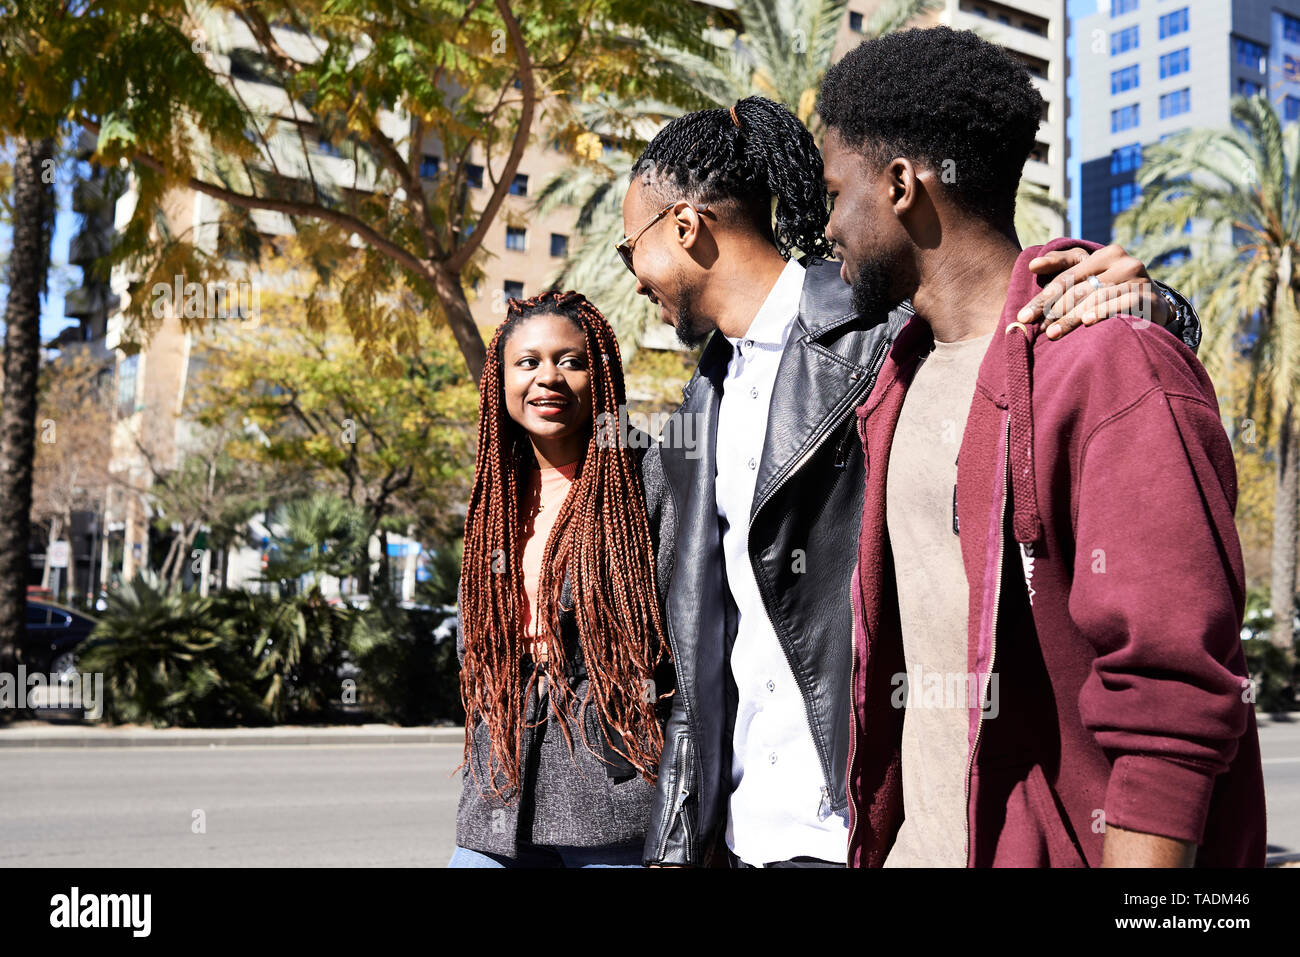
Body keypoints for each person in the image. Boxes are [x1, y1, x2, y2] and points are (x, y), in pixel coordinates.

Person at [622, 95, 1201, 867]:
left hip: (849, 826)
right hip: (735, 834)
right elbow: (702, 639)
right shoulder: (703, 397)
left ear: (686, 228)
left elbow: (1022, 330)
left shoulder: (880, 326)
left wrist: (1155, 304)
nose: (631, 278)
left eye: (632, 249)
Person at [819, 25, 1266, 867]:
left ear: (903, 185)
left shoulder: (1108, 362)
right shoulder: (893, 380)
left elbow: (1171, 697)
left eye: (837, 192)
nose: (827, 226)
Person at [448, 290, 673, 868]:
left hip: (614, 789)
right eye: (528, 362)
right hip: (503, 789)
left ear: (599, 376)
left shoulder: (648, 478)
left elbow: (689, 642)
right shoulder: (496, 494)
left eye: (570, 361)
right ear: (500, 381)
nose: (548, 377)